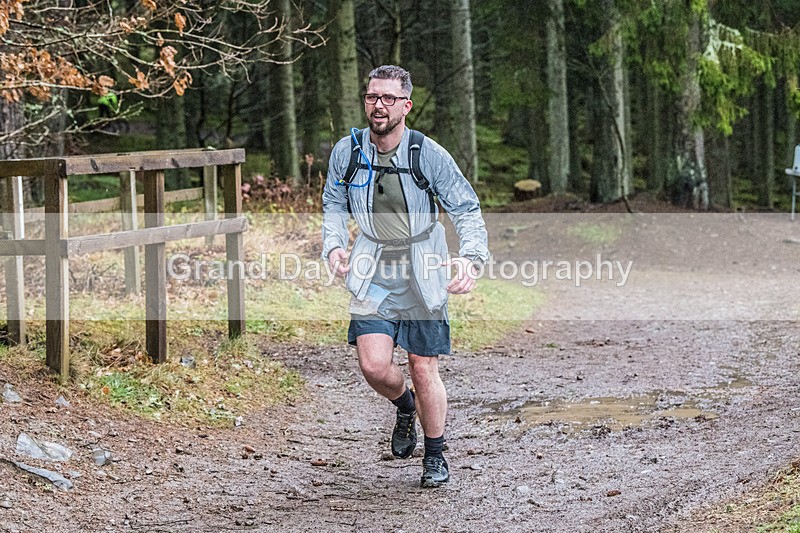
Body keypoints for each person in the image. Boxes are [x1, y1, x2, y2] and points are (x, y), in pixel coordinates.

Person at [322, 65, 489, 488]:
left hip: (422, 266)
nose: (378, 105)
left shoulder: (426, 153)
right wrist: (335, 244)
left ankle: (434, 454)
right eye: (372, 97)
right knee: (374, 365)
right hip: (372, 264)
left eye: (388, 98)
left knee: (422, 364)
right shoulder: (348, 151)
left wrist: (470, 258)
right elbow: (333, 203)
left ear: (406, 105)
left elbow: (466, 208)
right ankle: (404, 406)